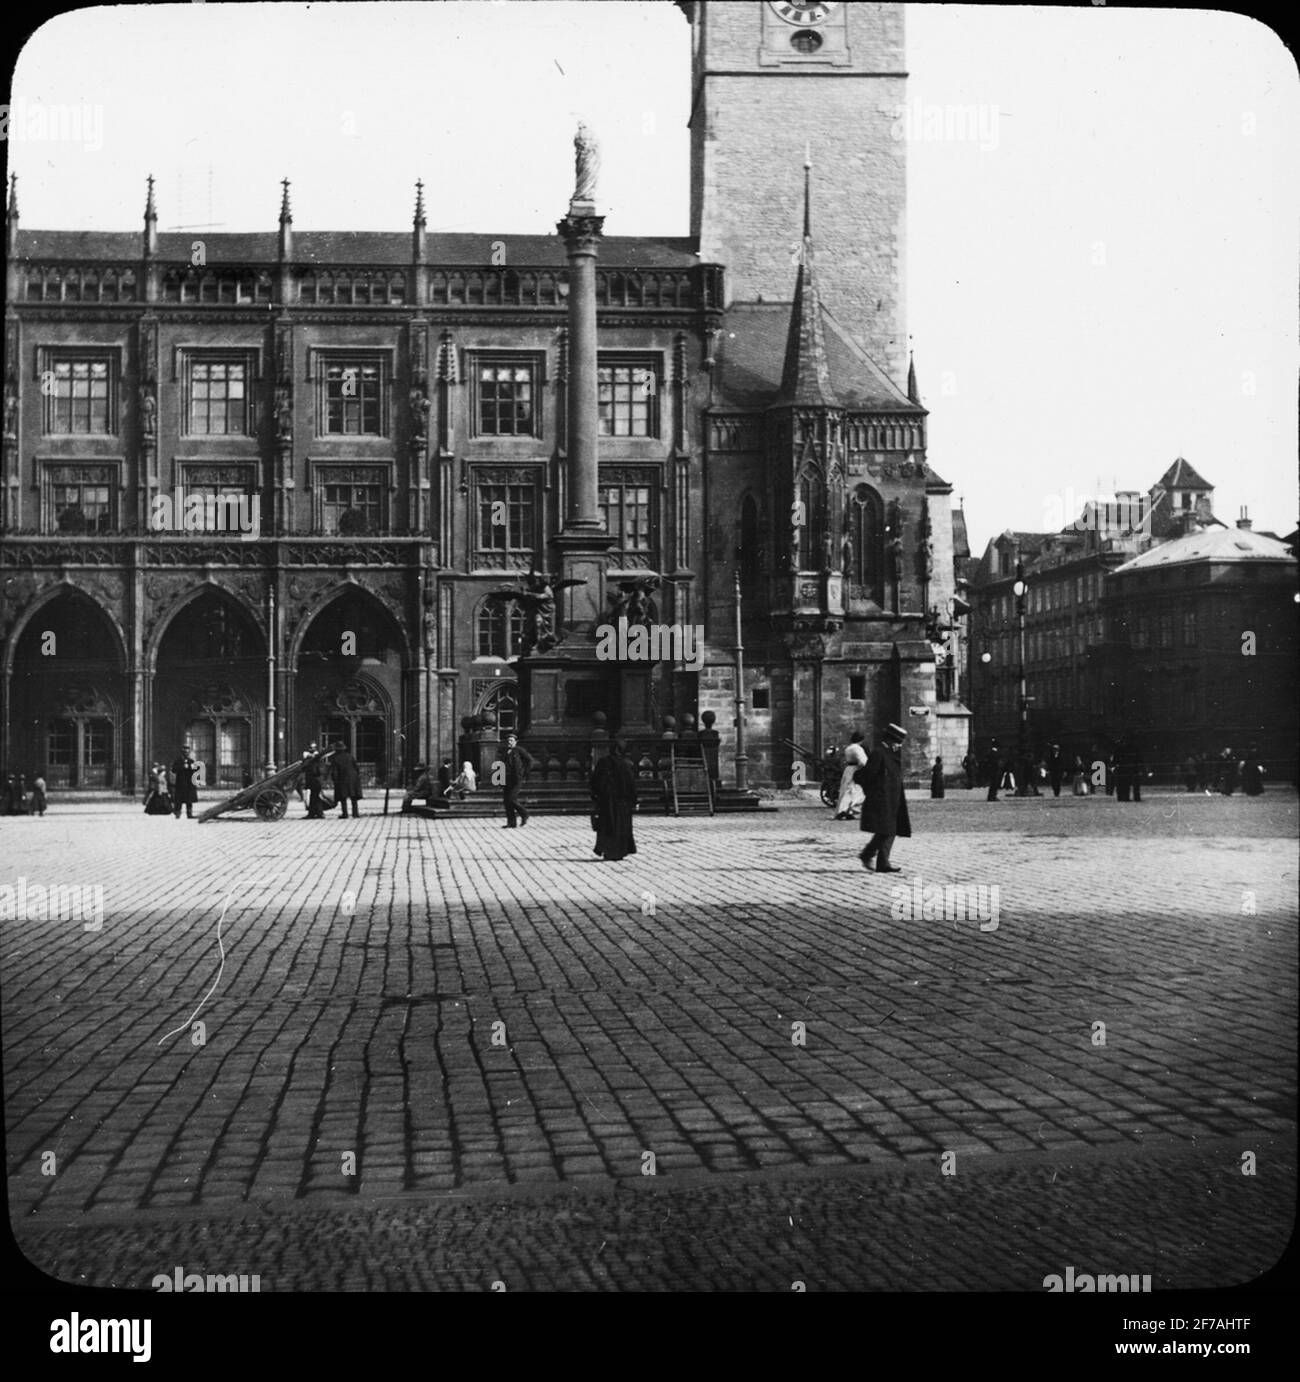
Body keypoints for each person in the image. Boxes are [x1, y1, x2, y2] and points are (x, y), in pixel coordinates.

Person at [857, 723, 911, 874]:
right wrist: (873, 793)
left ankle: (880, 862)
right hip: (881, 799)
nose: (899, 745)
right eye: (897, 742)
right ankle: (870, 856)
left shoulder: (890, 754)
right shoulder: (879, 753)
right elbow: (867, 775)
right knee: (886, 830)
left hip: (892, 799)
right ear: (890, 740)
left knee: (889, 830)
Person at [590, 739, 638, 861]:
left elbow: (595, 781)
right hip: (623, 802)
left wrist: (596, 797)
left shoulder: (603, 762)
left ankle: (608, 851)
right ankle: (620, 851)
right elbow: (631, 784)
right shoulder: (626, 764)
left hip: (607, 801)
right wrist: (634, 800)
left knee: (608, 826)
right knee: (621, 827)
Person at [500, 732, 535, 828]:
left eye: (511, 740)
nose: (509, 742)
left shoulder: (519, 750)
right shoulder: (504, 751)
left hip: (516, 779)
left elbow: (530, 761)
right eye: (508, 740)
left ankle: (524, 813)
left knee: (511, 798)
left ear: (516, 742)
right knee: (507, 801)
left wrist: (524, 772)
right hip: (506, 779)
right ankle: (511, 823)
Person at [835, 732, 867, 819]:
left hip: (848, 769)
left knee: (846, 789)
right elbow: (863, 761)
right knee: (856, 791)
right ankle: (849, 810)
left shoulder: (848, 748)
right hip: (856, 769)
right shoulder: (857, 748)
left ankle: (844, 810)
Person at [330, 740, 361, 818]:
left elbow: (335, 771)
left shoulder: (335, 758)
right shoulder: (350, 756)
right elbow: (356, 767)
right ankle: (355, 813)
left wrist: (335, 780)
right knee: (353, 797)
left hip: (342, 778)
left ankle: (345, 813)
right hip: (353, 778)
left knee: (343, 797)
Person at [171, 748, 199, 819]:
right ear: (182, 753)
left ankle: (189, 814)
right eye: (185, 752)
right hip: (180, 783)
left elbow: (197, 768)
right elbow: (174, 769)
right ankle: (178, 814)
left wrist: (192, 766)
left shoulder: (191, 761)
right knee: (179, 800)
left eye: (188, 752)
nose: (186, 754)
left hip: (189, 784)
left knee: (189, 800)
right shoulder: (178, 761)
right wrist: (182, 767)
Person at [302, 742, 326, 818]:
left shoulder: (316, 758)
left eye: (312, 747)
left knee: (315, 797)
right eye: (310, 747)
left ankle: (317, 813)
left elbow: (316, 770)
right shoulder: (309, 757)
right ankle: (316, 813)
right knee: (314, 796)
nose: (311, 749)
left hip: (315, 780)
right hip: (313, 780)